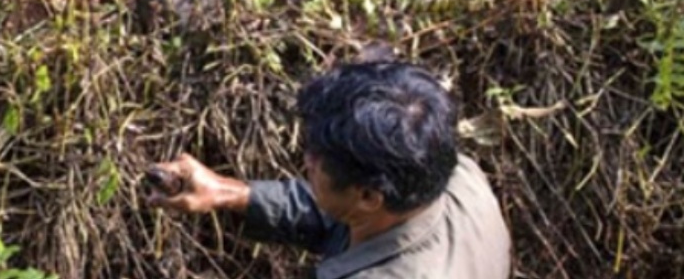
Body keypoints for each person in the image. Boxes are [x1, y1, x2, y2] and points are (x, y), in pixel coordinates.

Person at [147, 61, 511, 278]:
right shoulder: (456, 177)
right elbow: (342, 215)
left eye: (318, 163)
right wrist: (226, 192)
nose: (307, 162)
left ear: (369, 195)